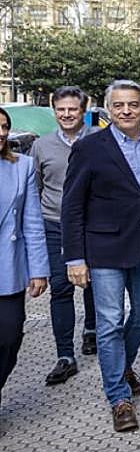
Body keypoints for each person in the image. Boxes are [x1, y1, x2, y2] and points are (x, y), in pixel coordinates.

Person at [61, 81, 140, 433]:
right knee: (108, 322)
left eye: (133, 105)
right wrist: (74, 258)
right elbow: (72, 205)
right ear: (108, 110)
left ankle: (121, 364)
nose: (126, 111)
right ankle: (119, 398)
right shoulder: (90, 147)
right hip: (105, 248)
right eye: (119, 105)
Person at [30, 86, 98, 386]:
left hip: (93, 224)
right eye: (62, 109)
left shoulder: (99, 140)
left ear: (84, 110)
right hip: (54, 225)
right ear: (53, 109)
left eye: (73, 109)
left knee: (95, 283)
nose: (67, 114)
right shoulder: (41, 146)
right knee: (60, 287)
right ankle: (65, 355)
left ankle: (92, 331)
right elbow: (37, 188)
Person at [0, 106, 50, 407]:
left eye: (5, 126)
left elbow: (32, 222)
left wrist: (39, 270)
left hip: (9, 269)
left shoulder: (23, 166)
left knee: (9, 338)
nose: (2, 133)